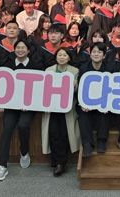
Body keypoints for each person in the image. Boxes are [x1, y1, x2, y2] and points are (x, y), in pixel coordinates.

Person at [0, 40, 45, 181]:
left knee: (23, 125)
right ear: (14, 49)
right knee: (7, 129)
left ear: (28, 51)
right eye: (18, 47)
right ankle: (2, 166)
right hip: (11, 105)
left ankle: (24, 151)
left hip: (29, 105)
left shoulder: (37, 66)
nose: (20, 50)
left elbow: (40, 88)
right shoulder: (7, 66)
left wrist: (29, 103)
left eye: (23, 48)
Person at [42, 48, 80, 177]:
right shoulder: (49, 70)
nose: (62, 57)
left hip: (67, 109)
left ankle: (61, 163)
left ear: (69, 58)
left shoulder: (74, 71)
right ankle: (55, 161)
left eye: (65, 55)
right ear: (56, 57)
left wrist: (75, 85)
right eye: (59, 55)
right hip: (52, 108)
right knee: (53, 134)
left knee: (64, 134)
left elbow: (78, 91)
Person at [78, 43, 120, 157]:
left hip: (103, 102)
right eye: (94, 52)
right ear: (90, 54)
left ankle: (101, 142)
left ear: (104, 55)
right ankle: (87, 144)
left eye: (99, 52)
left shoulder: (110, 69)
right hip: (87, 103)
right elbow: (80, 88)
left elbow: (113, 89)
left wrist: (108, 104)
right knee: (83, 115)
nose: (96, 54)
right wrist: (82, 103)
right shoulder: (83, 68)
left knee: (104, 113)